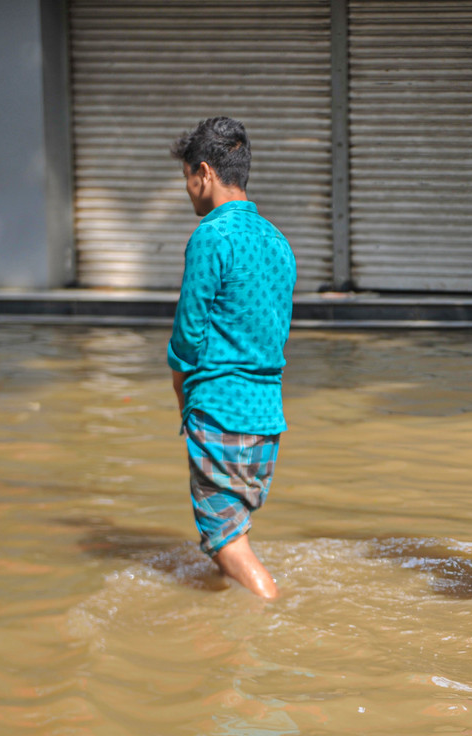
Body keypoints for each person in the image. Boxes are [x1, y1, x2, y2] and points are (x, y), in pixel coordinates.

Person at [167, 116, 297, 600]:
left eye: (187, 179)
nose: (188, 191)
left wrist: (183, 394)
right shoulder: (277, 241)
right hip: (266, 418)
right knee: (235, 534)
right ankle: (232, 640)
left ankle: (274, 612)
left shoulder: (211, 236)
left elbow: (187, 336)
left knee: (225, 543)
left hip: (219, 410)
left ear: (204, 172)